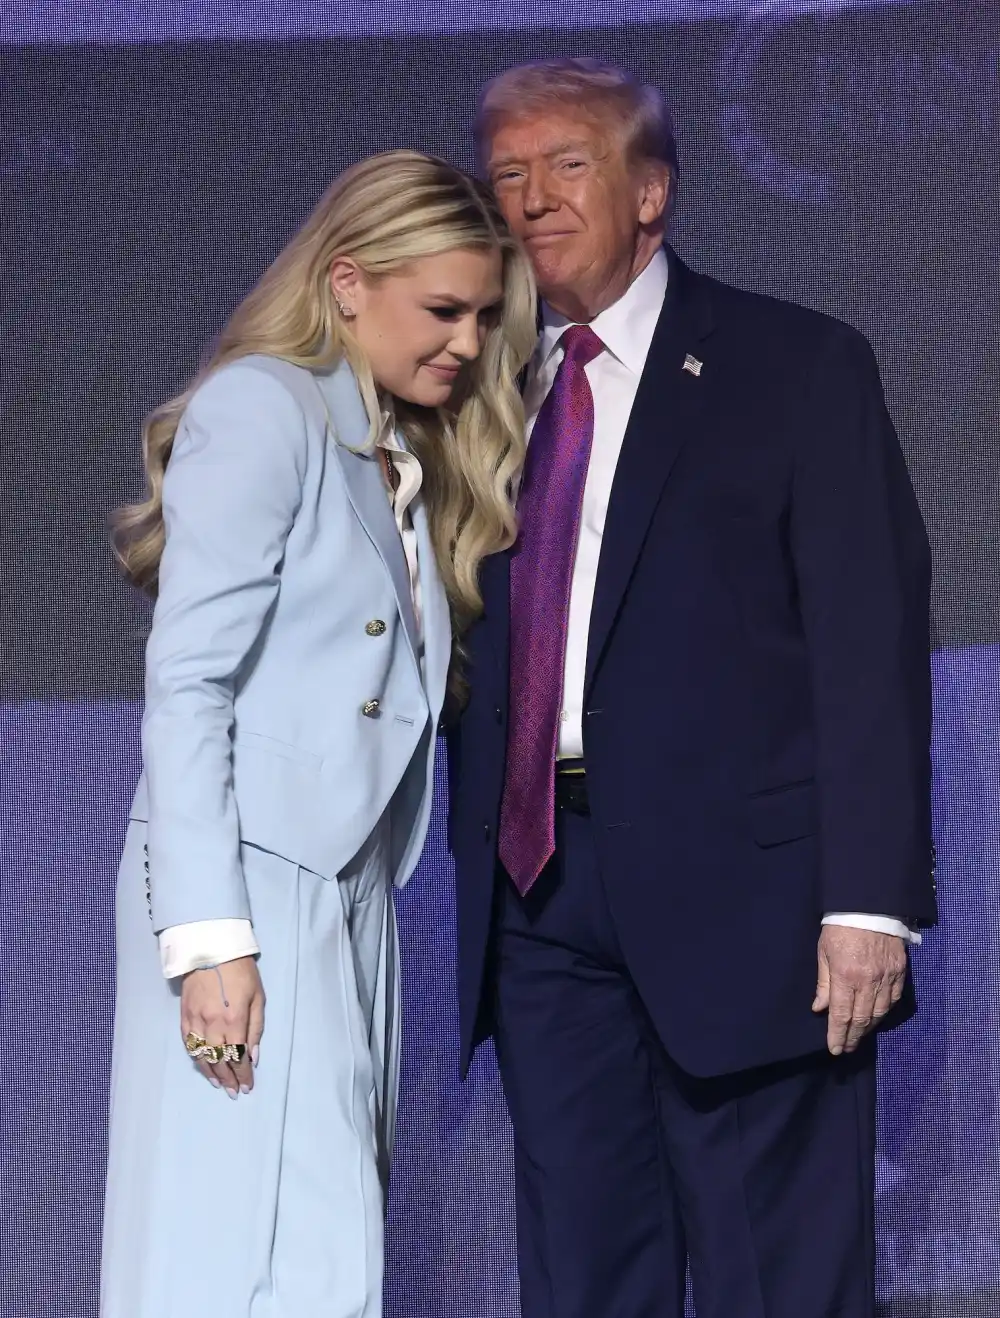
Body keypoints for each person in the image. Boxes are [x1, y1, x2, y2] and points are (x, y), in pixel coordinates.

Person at [447, 58, 935, 1318]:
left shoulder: (796, 365)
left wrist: (870, 902)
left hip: (755, 902)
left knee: (780, 1280)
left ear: (652, 190)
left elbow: (866, 645)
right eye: (507, 174)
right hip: (541, 894)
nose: (533, 201)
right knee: (583, 1276)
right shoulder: (475, 393)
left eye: (568, 166)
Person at [101, 149, 536, 1318]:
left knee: (325, 1249)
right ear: (347, 284)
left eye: (484, 316)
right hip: (250, 887)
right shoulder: (265, 407)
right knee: (241, 1254)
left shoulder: (391, 448)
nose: (465, 340)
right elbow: (188, 681)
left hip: (345, 891)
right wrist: (210, 940)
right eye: (442, 310)